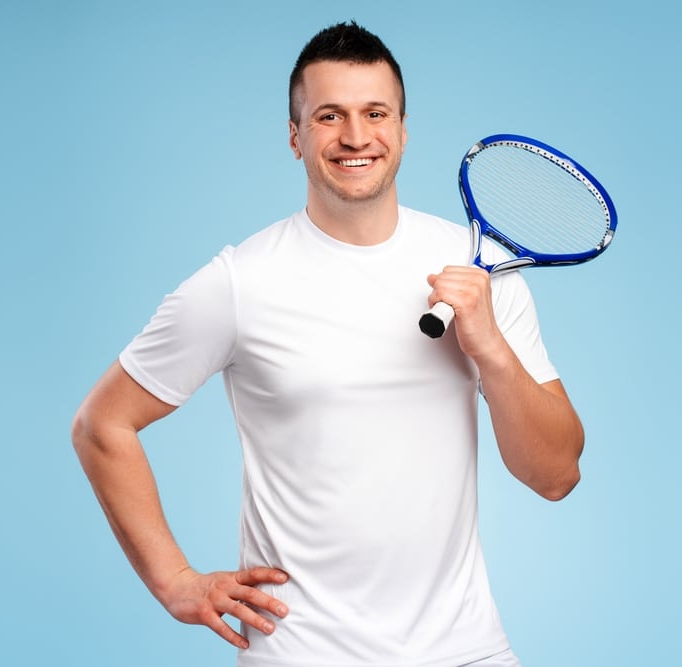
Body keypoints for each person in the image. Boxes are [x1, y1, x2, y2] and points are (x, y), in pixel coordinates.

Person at [72, 21, 584, 667]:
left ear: (402, 130)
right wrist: (175, 580)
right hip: (302, 653)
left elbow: (557, 473)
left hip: (465, 650)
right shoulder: (239, 282)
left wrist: (490, 348)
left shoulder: (479, 277)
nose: (355, 136)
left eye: (375, 113)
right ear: (294, 136)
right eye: (328, 116)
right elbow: (101, 424)